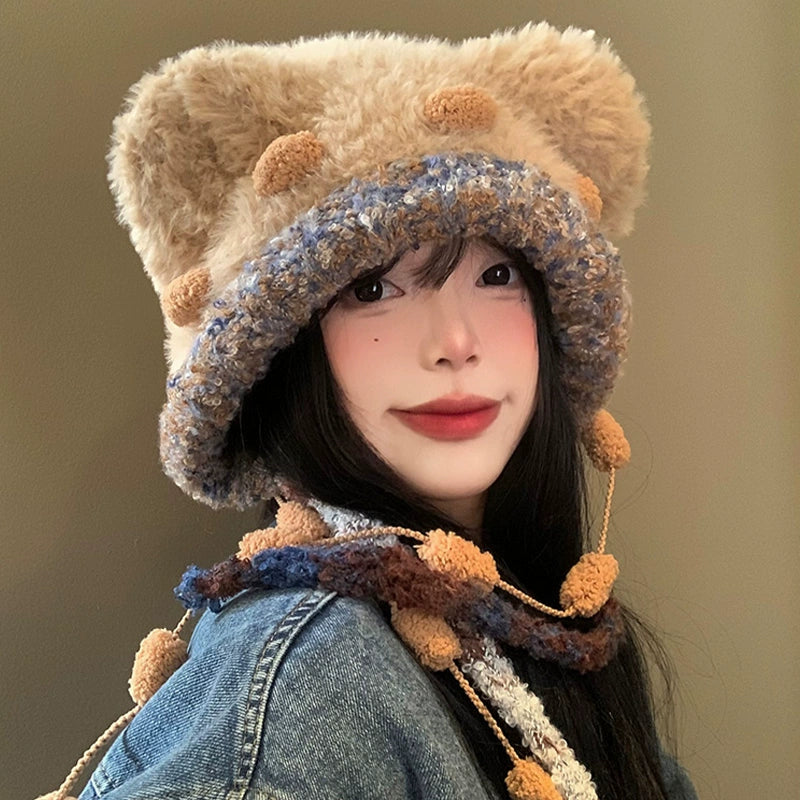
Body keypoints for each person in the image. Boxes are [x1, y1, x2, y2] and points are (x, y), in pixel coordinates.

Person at [38, 22, 699, 800]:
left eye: (496, 276)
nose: (454, 343)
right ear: (286, 354)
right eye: (373, 289)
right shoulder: (312, 676)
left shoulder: (534, 621)